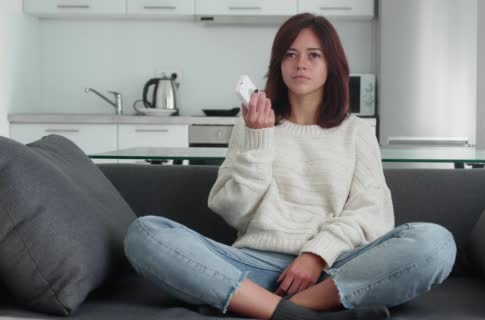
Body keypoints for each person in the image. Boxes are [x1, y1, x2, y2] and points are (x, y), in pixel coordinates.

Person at [124, 13, 456, 320]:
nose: (301, 64)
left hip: (335, 268)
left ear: (331, 66)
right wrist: (258, 141)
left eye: (314, 55)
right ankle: (294, 311)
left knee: (436, 242)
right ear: (278, 63)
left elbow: (372, 214)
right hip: (254, 263)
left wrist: (315, 256)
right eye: (290, 54)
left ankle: (283, 308)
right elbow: (232, 210)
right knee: (144, 234)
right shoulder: (252, 126)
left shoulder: (356, 131)